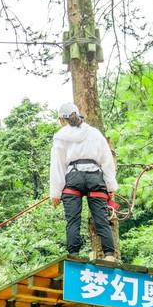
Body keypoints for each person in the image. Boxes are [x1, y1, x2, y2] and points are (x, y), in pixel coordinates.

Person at [49, 103, 118, 262]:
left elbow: (57, 165)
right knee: (101, 218)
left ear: (62, 119)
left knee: (73, 220)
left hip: (73, 177)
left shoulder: (60, 136)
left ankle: (74, 255)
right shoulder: (94, 133)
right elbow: (106, 160)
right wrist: (110, 186)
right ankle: (109, 255)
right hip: (95, 176)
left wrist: (56, 194)